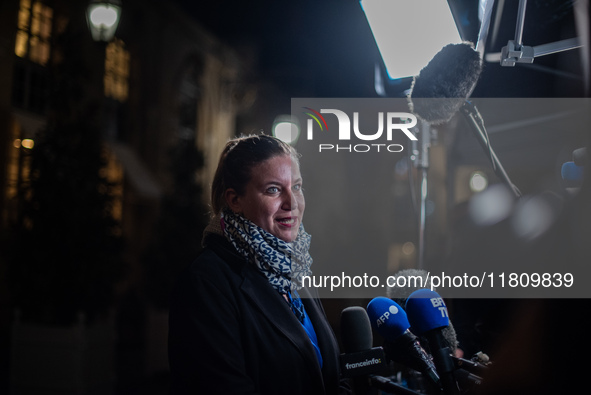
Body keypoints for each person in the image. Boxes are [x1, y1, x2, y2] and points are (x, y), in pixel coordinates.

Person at [168, 134, 346, 394]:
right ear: (235, 200)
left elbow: (332, 376)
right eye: (273, 189)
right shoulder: (205, 282)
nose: (292, 203)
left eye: (296, 187)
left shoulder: (296, 270)